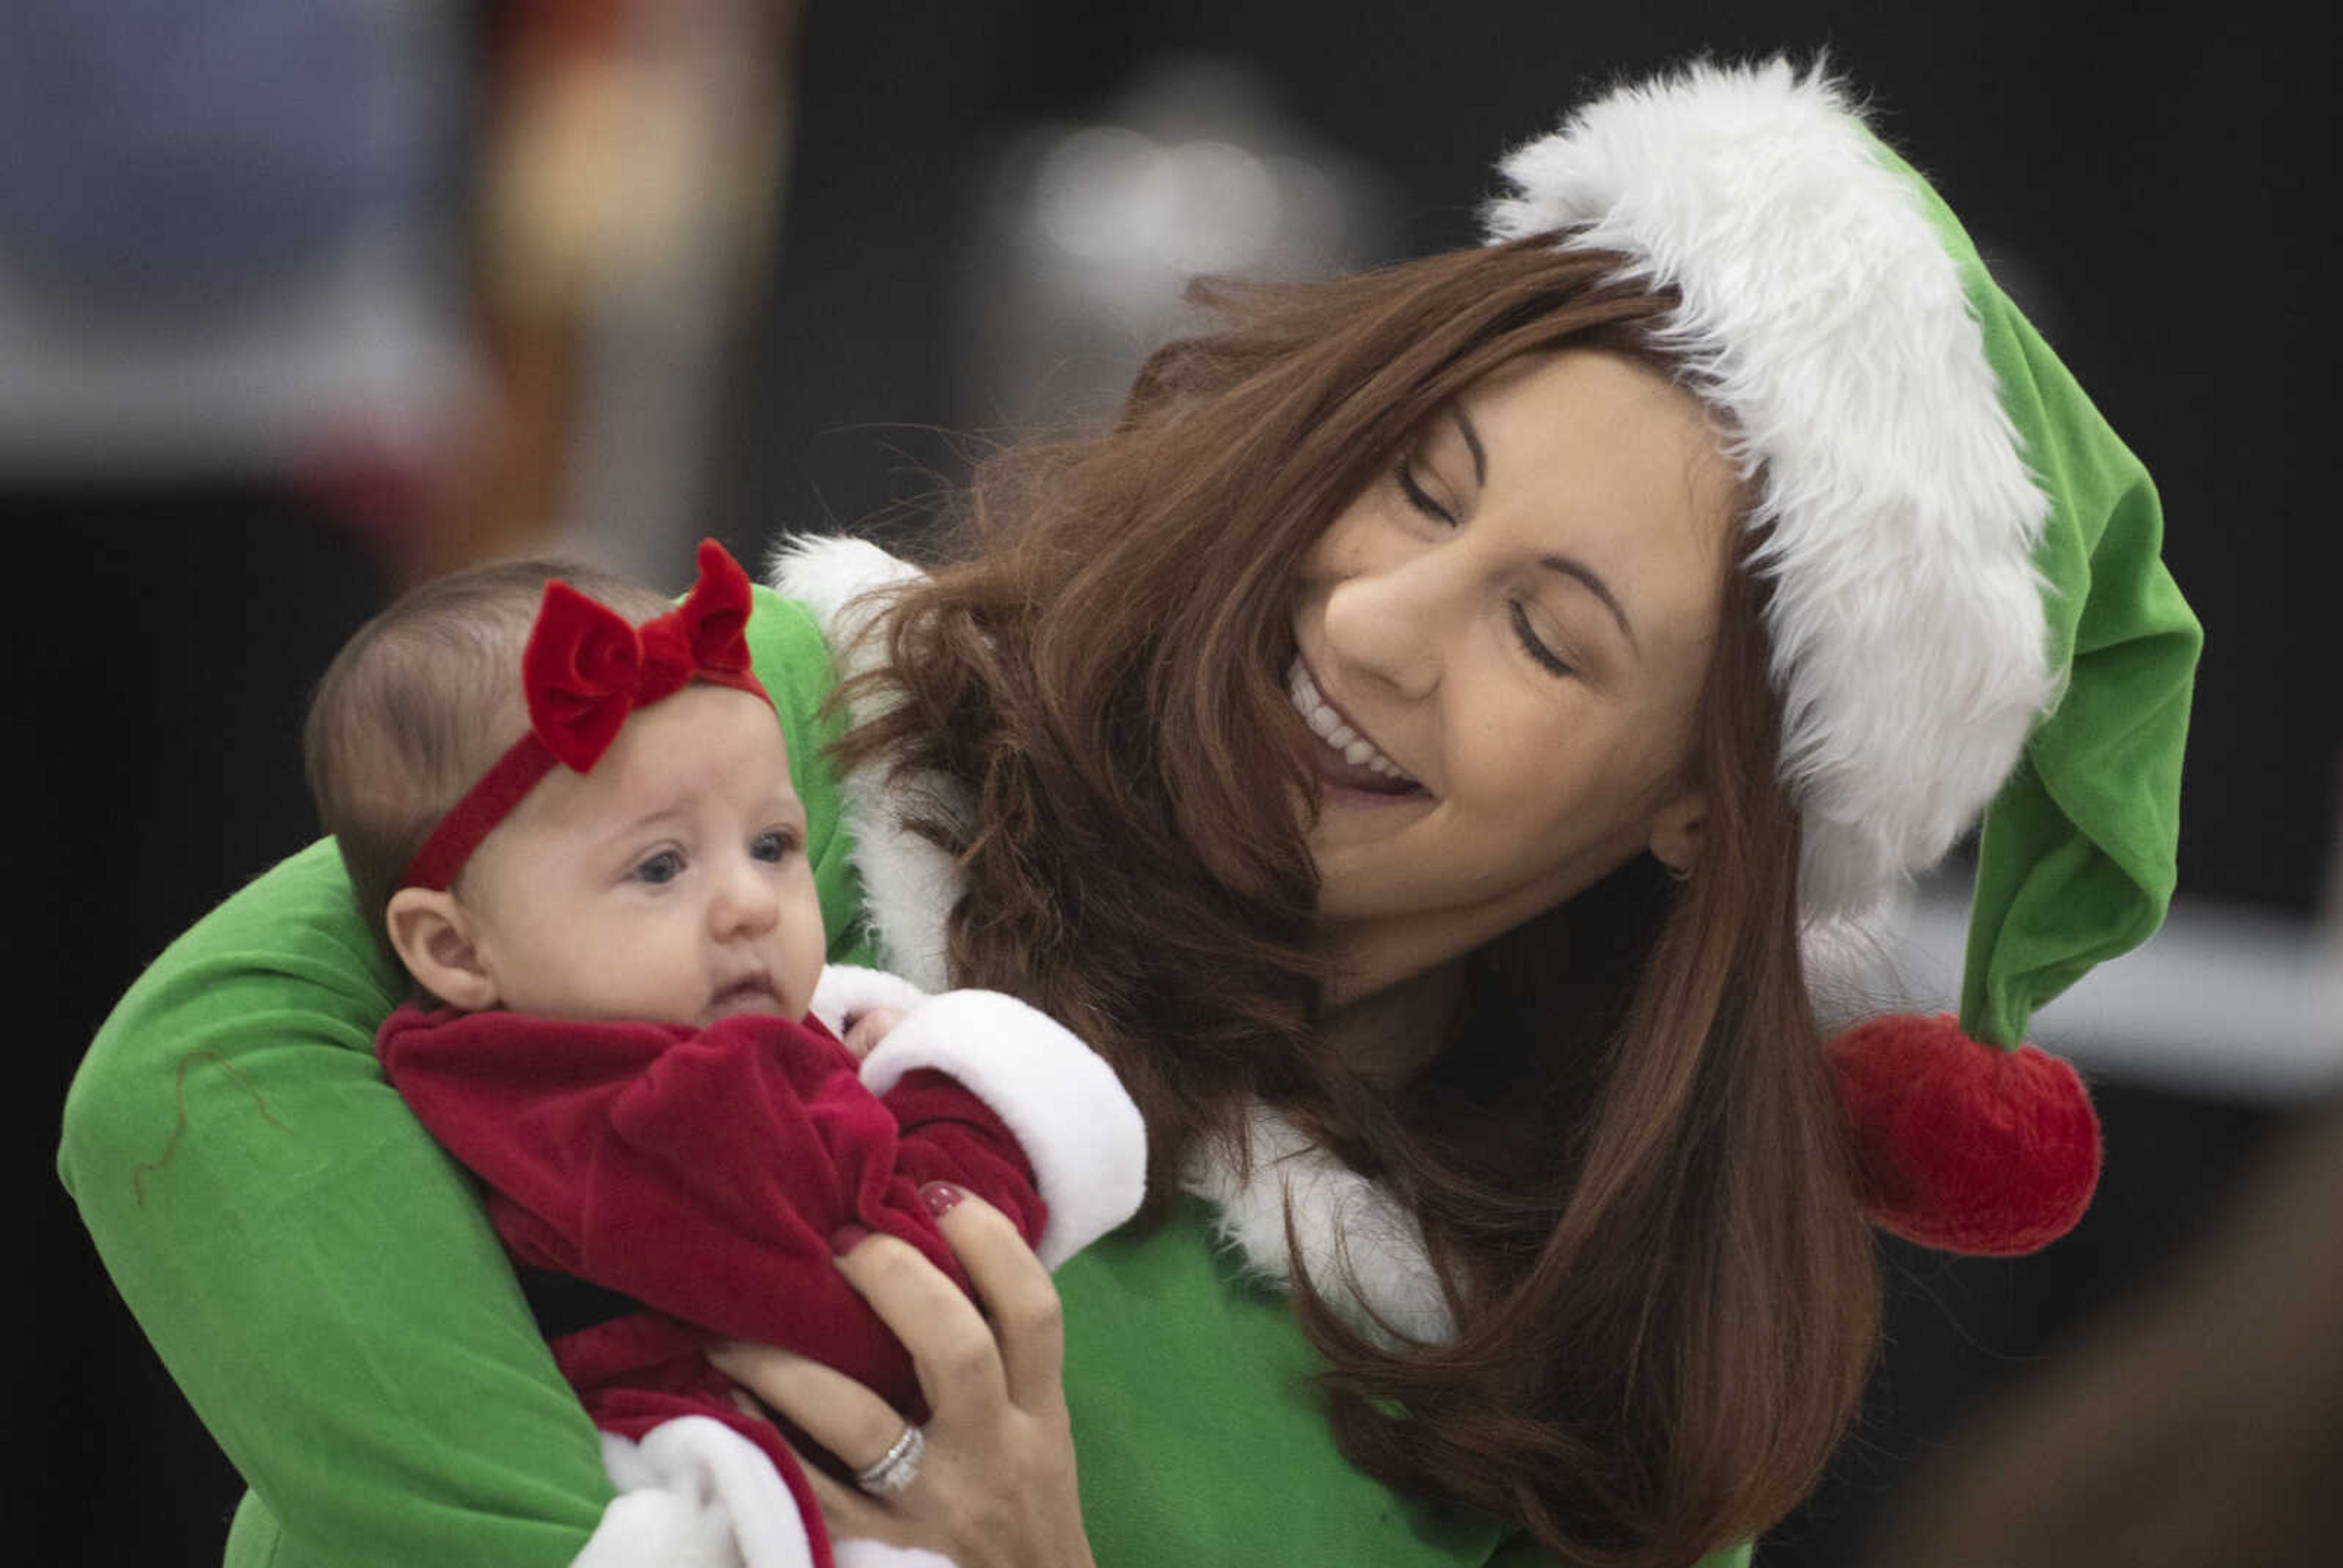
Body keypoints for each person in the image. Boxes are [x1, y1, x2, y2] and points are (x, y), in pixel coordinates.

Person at [59, 59, 2200, 1568]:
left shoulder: (1618, 1372)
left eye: (1550, 637)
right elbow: (207, 1078)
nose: (1371, 620)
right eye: (1415, 486)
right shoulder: (798, 744)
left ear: (1707, 821)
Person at [299, 538, 1145, 1567]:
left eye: (774, 845)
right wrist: (960, 1104)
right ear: (454, 947)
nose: (750, 903)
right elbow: (884, 1323)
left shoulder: (511, 1072)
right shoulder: (673, 1111)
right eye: (660, 866)